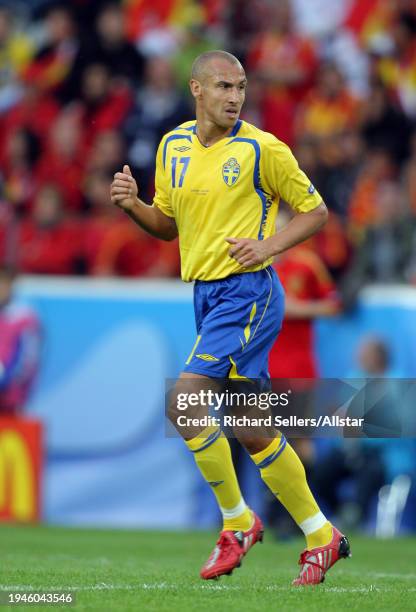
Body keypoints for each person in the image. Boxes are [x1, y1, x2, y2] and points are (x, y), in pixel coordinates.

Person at [110, 50, 351, 586]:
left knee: (185, 400)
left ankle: (238, 522)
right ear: (196, 89)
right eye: (223, 86)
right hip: (206, 295)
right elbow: (167, 224)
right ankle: (321, 535)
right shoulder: (172, 145)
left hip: (249, 293)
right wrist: (133, 207)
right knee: (250, 426)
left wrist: (267, 245)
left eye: (240, 86)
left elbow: (316, 213)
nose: (234, 97)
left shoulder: (264, 148)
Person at [0, 265, 41, 414]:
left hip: (10, 398)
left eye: (3, 284)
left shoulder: (24, 317)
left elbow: (28, 360)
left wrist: (6, 381)